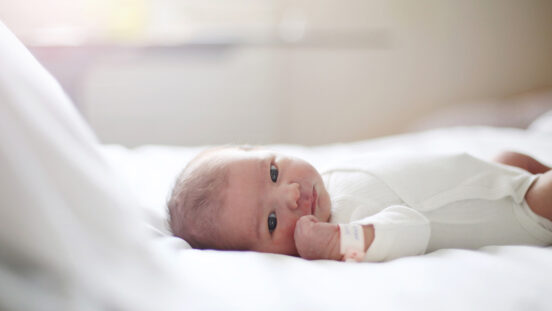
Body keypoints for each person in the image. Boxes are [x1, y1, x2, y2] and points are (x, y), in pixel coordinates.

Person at [167, 146, 552, 262]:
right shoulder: (346, 230)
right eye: (270, 222)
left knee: (510, 157)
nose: (291, 194)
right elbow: (412, 228)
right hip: (515, 208)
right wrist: (341, 243)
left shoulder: (324, 186)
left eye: (272, 173)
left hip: (483, 174)